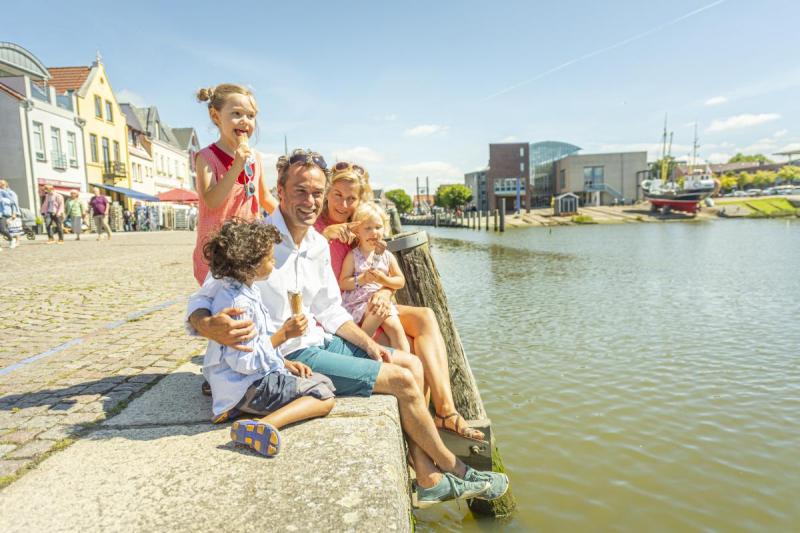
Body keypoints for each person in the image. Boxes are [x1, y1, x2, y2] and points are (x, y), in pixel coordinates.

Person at [187, 149, 506, 506]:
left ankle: (427, 476)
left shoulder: (319, 245)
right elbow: (203, 296)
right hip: (290, 353)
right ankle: (455, 469)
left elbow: (332, 311)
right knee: (400, 381)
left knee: (410, 364)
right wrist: (206, 325)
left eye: (316, 193)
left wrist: (372, 348)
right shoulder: (258, 239)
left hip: (319, 339)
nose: (310, 201)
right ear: (280, 188)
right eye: (300, 191)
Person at [315, 162, 486, 442]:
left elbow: (382, 273)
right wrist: (325, 236)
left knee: (426, 317)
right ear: (326, 193)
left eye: (351, 198)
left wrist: (384, 292)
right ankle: (422, 424)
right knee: (412, 343)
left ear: (360, 200)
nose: (343, 204)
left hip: (369, 303)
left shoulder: (360, 227)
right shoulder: (319, 228)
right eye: (337, 195)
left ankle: (445, 411)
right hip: (341, 318)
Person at [202, 218, 335, 457]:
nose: (274, 262)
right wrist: (284, 334)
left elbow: (254, 344)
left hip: (235, 387)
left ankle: (236, 410)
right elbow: (244, 361)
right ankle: (266, 424)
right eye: (270, 258)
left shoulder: (240, 291)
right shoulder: (238, 305)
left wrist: (283, 363)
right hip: (249, 387)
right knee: (323, 393)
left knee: (312, 379)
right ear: (250, 264)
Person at [192, 83, 278, 285]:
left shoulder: (255, 157)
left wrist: (292, 221)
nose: (245, 121)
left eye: (251, 115)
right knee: (222, 307)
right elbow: (212, 200)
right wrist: (237, 165)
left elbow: (265, 198)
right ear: (216, 116)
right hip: (217, 252)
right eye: (237, 113)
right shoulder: (206, 157)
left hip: (249, 249)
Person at [339, 203, 409, 351]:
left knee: (396, 329)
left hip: (382, 302)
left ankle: (405, 361)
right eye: (367, 228)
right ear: (358, 231)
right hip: (358, 303)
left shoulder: (387, 256)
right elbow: (343, 283)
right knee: (375, 312)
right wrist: (362, 279)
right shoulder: (353, 256)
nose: (374, 232)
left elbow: (400, 281)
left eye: (378, 227)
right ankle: (359, 350)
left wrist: (384, 280)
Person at [0, 179, 21, 249]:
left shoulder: (11, 193)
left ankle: (13, 240)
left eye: (2, 184)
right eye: (0, 184)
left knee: (5, 229)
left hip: (5, 213)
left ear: (6, 185)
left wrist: (14, 213)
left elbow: (14, 204)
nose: (1, 185)